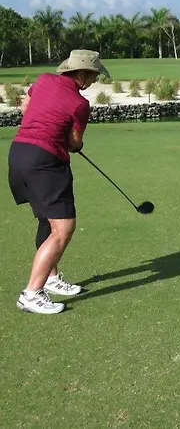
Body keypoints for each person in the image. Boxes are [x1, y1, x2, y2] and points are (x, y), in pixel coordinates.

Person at [8, 49, 111, 314]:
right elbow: (75, 142)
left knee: (47, 220)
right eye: (93, 75)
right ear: (81, 74)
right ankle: (31, 294)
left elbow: (26, 108)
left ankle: (51, 278)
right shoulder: (79, 104)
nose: (95, 80)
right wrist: (64, 138)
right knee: (63, 228)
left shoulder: (43, 80)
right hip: (45, 162)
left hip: (19, 153)